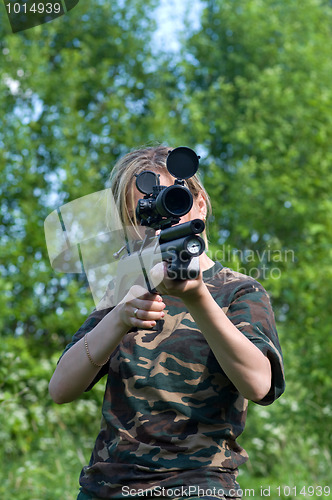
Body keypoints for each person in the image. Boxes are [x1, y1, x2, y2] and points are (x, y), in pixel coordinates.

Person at [49, 145, 285, 500]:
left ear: (200, 203)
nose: (163, 218)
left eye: (174, 201)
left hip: (200, 486)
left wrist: (197, 297)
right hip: (108, 487)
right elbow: (61, 388)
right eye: (142, 212)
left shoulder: (238, 291)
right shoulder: (125, 290)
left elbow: (259, 384)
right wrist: (119, 318)